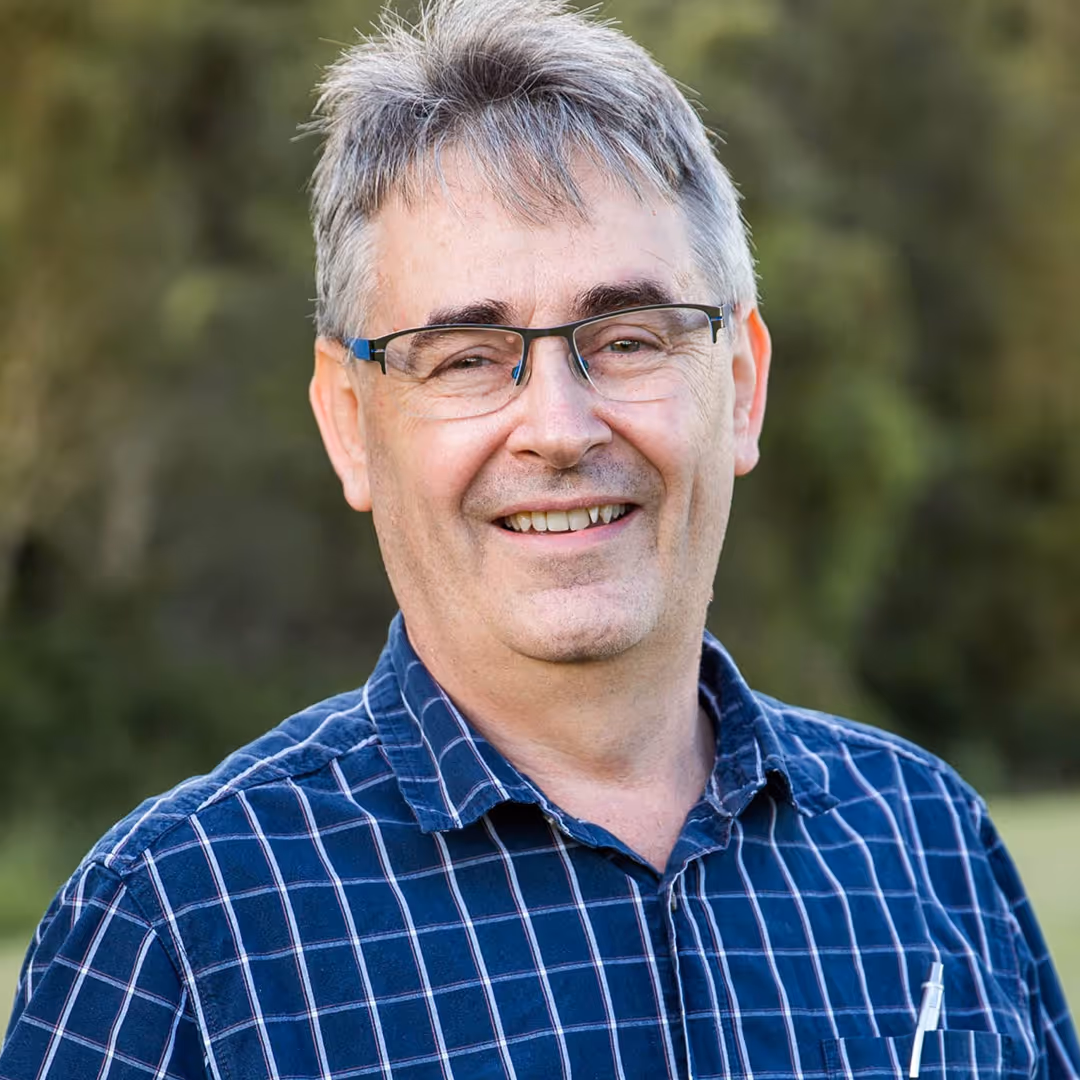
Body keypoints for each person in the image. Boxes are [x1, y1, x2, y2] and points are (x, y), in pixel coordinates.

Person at [2, 1, 1077, 1077]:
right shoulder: (178, 936)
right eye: (466, 356)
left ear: (741, 388)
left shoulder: (930, 846)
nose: (559, 430)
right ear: (349, 423)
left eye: (628, 339)